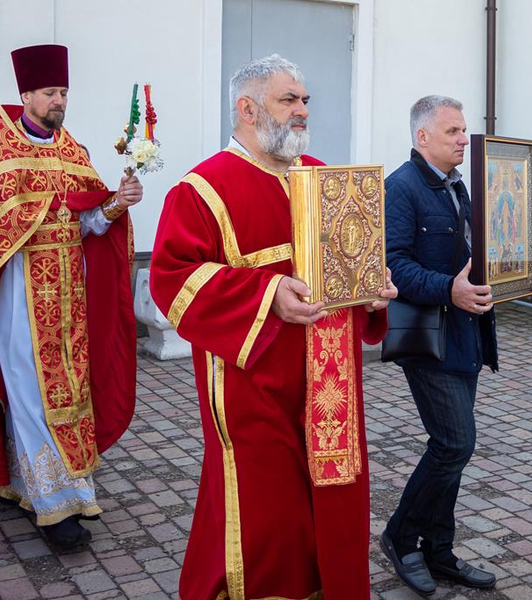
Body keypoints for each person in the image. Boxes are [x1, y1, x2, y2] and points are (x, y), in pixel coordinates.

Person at [149, 54, 397, 600]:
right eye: (289, 100)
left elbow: (348, 264)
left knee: (331, 508)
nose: (303, 111)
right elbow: (171, 279)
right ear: (247, 108)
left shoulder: (323, 177)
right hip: (252, 386)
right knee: (268, 518)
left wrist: (373, 288)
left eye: (305, 100)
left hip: (330, 388)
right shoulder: (201, 190)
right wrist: (267, 294)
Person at [0, 44, 140, 548]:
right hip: (21, 300)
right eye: (51, 93)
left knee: (71, 391)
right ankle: (55, 510)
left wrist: (116, 204)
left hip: (70, 298)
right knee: (32, 390)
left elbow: (89, 225)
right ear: (26, 93)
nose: (59, 101)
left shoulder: (71, 151)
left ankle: (64, 486)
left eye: (63, 93)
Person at [380, 95, 532, 596]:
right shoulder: (401, 188)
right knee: (455, 443)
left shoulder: (460, 186)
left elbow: (477, 256)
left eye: (464, 130)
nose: (463, 140)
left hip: (468, 333)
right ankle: (400, 538)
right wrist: (446, 288)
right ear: (422, 136)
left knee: (453, 448)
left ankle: (439, 551)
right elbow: (393, 264)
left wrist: (516, 278)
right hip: (427, 339)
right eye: (452, 131)